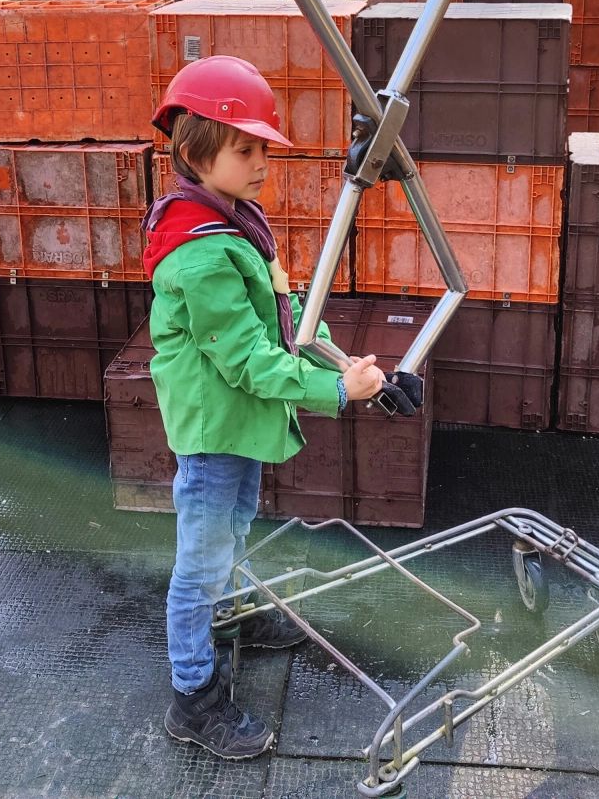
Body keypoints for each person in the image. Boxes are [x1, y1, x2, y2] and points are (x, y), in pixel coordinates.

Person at [143, 56, 410, 760]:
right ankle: (191, 697)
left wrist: (341, 361)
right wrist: (333, 393)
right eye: (246, 148)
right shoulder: (200, 255)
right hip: (214, 428)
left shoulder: (236, 223)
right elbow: (249, 362)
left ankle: (229, 617)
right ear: (195, 148)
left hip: (240, 423)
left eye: (264, 147)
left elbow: (292, 317)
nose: (262, 161)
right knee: (199, 561)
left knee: (233, 525)